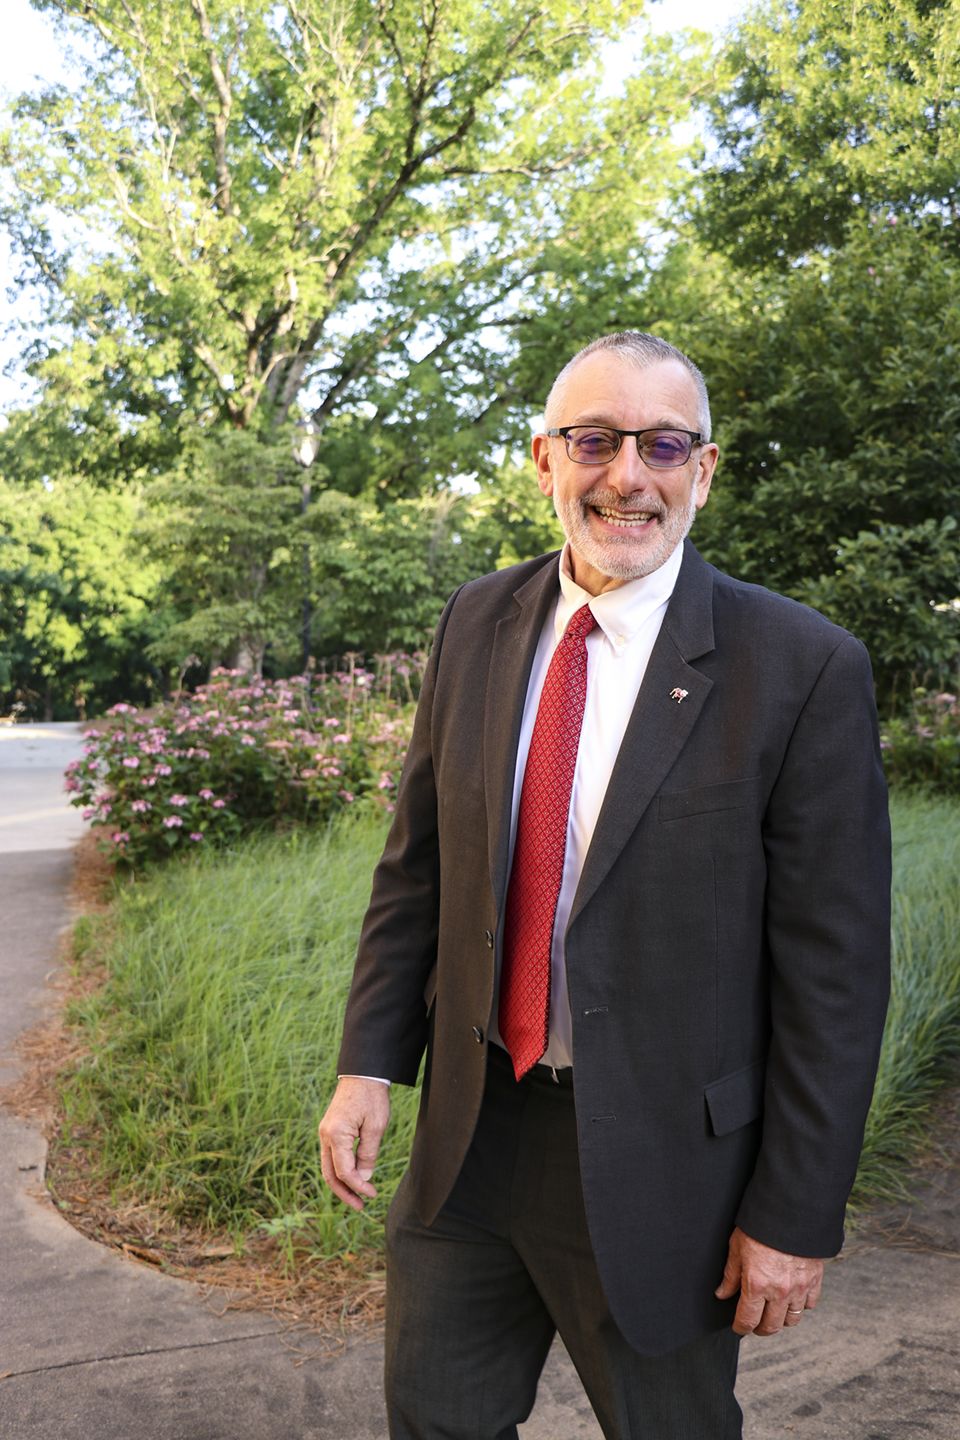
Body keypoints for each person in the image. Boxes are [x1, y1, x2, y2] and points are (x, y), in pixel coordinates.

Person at [318, 332, 891, 1440]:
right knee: (434, 1422)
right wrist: (369, 1065)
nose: (628, 475)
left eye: (663, 444)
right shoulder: (475, 622)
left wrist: (795, 1212)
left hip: (669, 1170)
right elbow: (417, 870)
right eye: (595, 440)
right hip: (472, 1139)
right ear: (545, 462)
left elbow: (838, 974)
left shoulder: (803, 667)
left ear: (703, 472)